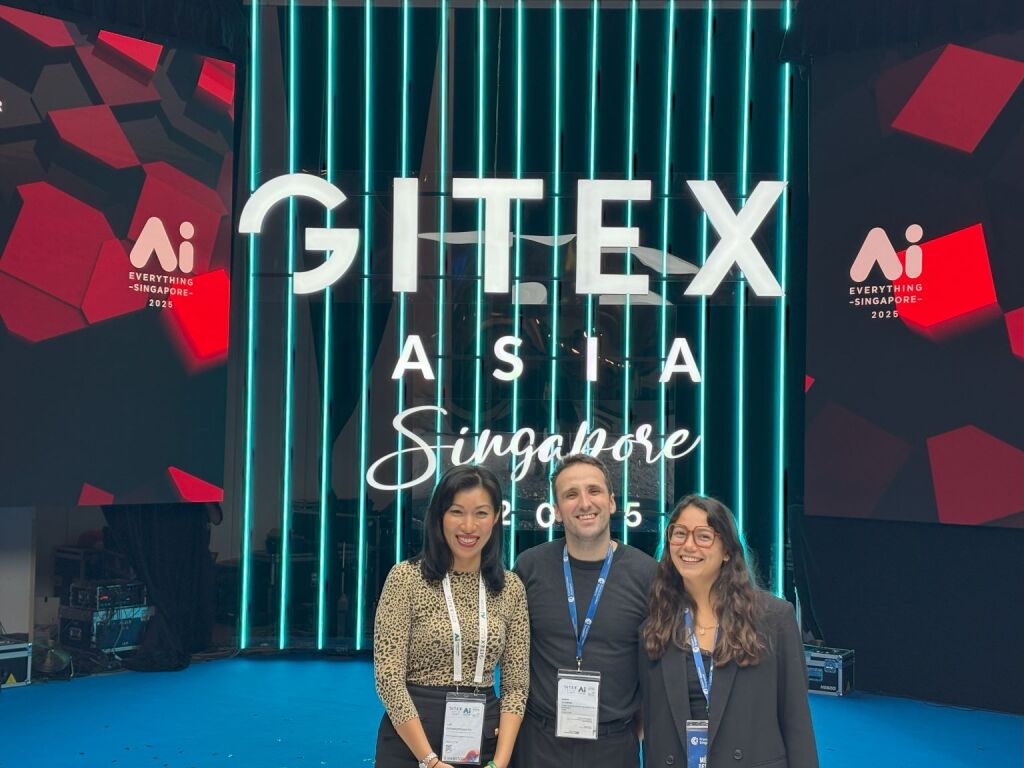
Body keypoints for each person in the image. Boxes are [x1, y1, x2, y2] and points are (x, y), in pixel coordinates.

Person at [639, 494, 818, 768]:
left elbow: (797, 721)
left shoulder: (773, 619)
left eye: (703, 536)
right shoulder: (655, 622)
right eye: (680, 534)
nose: (689, 545)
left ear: (727, 551)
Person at [374, 466, 530, 768]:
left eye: (481, 513)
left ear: (496, 517)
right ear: (439, 516)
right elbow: (388, 679)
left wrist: (499, 763)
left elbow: (516, 685)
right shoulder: (406, 579)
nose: (469, 526)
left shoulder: (510, 588)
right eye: (457, 512)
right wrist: (430, 761)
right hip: (412, 745)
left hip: (483, 744)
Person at [512, 454, 657, 768]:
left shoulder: (648, 574)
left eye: (594, 490)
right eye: (571, 494)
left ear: (612, 502)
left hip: (613, 747)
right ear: (557, 511)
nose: (584, 503)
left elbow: (656, 665)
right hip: (538, 744)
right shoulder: (529, 567)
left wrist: (638, 732)